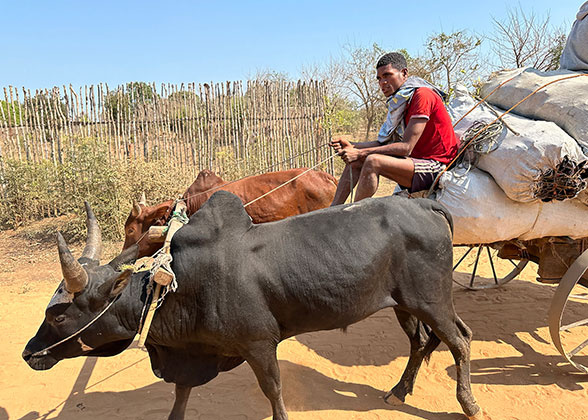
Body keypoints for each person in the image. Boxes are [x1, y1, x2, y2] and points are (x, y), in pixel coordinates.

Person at [329, 51, 459, 205]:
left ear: (404, 73)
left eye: (387, 75)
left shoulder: (422, 95)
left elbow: (405, 147)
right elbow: (385, 143)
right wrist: (352, 146)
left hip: (436, 165)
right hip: (416, 162)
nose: (382, 82)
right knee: (356, 161)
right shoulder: (401, 102)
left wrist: (359, 152)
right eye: (379, 78)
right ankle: (333, 210)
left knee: (373, 161)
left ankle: (354, 214)